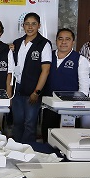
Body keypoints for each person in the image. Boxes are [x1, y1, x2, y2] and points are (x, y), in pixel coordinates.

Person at [40, 28, 90, 140]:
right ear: (56, 41)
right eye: (60, 39)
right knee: (48, 136)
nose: (63, 42)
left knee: (69, 139)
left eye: (67, 39)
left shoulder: (80, 60)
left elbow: (84, 87)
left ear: (73, 42)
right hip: (50, 105)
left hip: (70, 107)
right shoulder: (48, 56)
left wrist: (78, 107)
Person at [11, 13, 52, 143]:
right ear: (23, 26)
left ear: (39, 26)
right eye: (27, 24)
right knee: (17, 121)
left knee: (30, 123)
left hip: (33, 90)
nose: (30, 27)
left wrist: (37, 92)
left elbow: (46, 70)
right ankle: (16, 147)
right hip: (17, 88)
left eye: (33, 24)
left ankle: (28, 149)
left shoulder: (44, 44)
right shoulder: (17, 43)